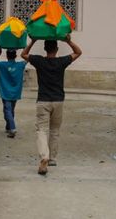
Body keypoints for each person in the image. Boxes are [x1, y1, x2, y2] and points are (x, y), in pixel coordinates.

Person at [21, 35, 83, 176]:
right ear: (57, 49)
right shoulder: (62, 61)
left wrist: (33, 40)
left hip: (43, 100)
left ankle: (44, 157)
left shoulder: (39, 61)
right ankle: (53, 159)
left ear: (45, 48)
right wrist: (68, 41)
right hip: (58, 101)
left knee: (42, 130)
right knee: (55, 130)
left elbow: (23, 54)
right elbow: (78, 52)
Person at [0, 46, 27, 137]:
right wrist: (24, 48)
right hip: (15, 92)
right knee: (10, 110)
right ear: (15, 56)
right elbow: (27, 58)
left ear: (6, 56)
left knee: (7, 110)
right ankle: (8, 127)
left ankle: (12, 128)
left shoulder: (2, 65)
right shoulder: (20, 65)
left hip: (6, 92)